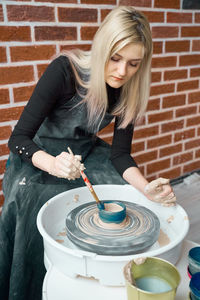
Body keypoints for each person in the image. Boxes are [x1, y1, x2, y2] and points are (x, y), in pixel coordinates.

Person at [0, 6, 176, 300]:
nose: (122, 72)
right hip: (38, 153)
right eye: (115, 58)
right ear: (101, 49)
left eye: (134, 64)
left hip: (84, 152)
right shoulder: (64, 70)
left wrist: (147, 188)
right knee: (34, 204)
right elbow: (18, 138)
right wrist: (53, 165)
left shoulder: (128, 89)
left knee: (123, 192)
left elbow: (121, 155)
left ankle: (102, 278)